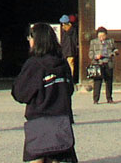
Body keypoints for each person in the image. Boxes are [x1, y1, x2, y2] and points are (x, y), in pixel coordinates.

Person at [12, 22, 77, 163]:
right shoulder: (63, 64)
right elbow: (69, 90)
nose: (29, 40)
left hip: (39, 125)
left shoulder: (34, 64)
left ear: (37, 40)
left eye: (30, 37)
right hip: (61, 123)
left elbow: (20, 94)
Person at [88, 26, 117, 104]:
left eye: (103, 36)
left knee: (109, 82)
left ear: (106, 35)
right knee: (97, 82)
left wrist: (113, 53)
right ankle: (96, 99)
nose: (101, 38)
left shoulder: (110, 41)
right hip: (98, 63)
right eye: (100, 36)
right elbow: (90, 53)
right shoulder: (93, 42)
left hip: (108, 62)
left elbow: (115, 49)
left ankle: (109, 98)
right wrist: (95, 57)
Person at [59, 15, 78, 83]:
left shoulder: (62, 30)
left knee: (64, 65)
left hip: (64, 50)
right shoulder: (73, 30)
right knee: (71, 66)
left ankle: (65, 79)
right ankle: (70, 79)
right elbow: (75, 40)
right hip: (71, 50)